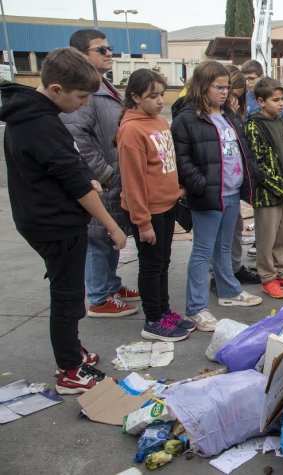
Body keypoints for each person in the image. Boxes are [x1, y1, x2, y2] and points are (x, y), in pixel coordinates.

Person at [0, 48, 128, 393]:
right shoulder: (40, 124)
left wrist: (85, 178)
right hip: (54, 224)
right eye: (81, 97)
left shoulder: (31, 115)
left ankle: (72, 352)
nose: (85, 104)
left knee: (68, 291)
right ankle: (71, 369)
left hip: (43, 217)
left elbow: (58, 169)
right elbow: (73, 182)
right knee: (68, 296)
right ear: (56, 89)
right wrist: (112, 225)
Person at [172, 60, 263, 332]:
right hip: (209, 195)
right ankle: (197, 308)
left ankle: (229, 291)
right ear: (202, 86)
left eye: (227, 87)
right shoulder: (187, 119)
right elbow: (182, 158)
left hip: (232, 192)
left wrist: (250, 178)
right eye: (219, 87)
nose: (225, 92)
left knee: (225, 247)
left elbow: (242, 150)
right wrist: (200, 184)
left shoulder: (228, 116)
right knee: (202, 251)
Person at [62, 29, 139, 318]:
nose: (109, 53)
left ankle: (111, 285)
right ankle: (98, 296)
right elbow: (77, 139)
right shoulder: (83, 91)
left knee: (111, 234)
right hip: (101, 181)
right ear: (81, 55)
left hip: (113, 179)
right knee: (98, 235)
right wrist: (105, 173)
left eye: (110, 48)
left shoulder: (102, 85)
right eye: (101, 49)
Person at [116, 69, 195, 341]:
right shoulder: (131, 130)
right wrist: (143, 222)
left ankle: (164, 312)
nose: (160, 100)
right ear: (135, 97)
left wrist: (177, 188)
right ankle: (152, 319)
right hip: (148, 212)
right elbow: (133, 181)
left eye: (162, 94)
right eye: (153, 96)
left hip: (167, 205)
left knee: (163, 262)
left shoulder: (159, 121)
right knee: (151, 266)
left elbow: (165, 164)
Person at [245, 78, 283, 299]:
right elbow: (259, 164)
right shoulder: (254, 125)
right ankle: (268, 278)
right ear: (261, 101)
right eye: (275, 100)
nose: (281, 104)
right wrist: (281, 187)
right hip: (268, 195)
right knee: (267, 238)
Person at [208, 65, 260, 293]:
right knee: (214, 239)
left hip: (232, 186)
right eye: (231, 95)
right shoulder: (208, 115)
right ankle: (217, 277)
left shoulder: (233, 116)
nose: (234, 100)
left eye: (237, 96)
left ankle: (232, 269)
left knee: (234, 230)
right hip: (214, 189)